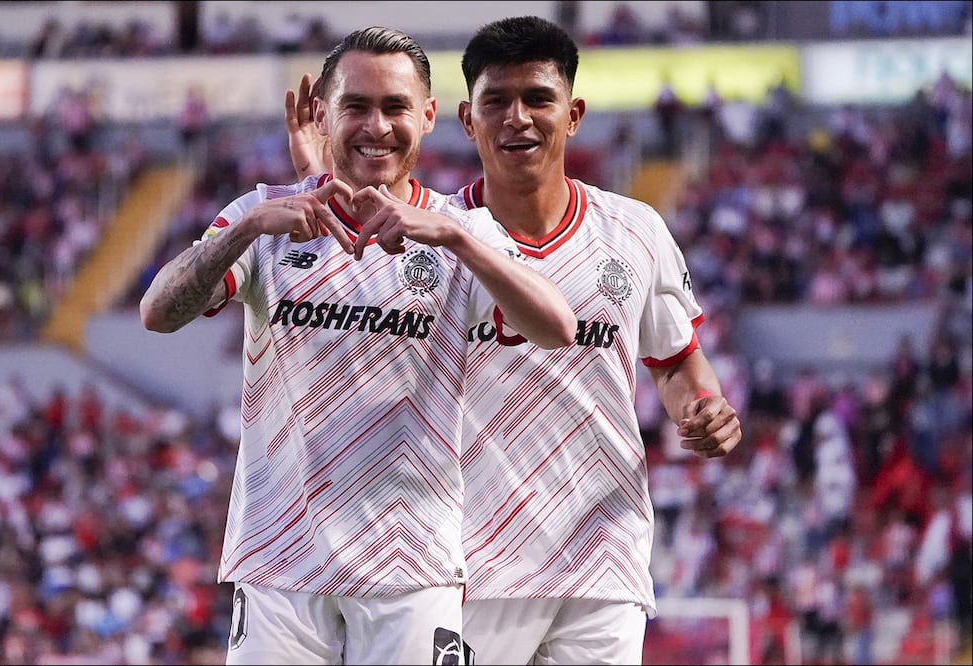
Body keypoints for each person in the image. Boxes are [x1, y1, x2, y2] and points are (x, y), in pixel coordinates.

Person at [285, 15, 742, 665]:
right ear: (467, 119)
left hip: (602, 559)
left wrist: (703, 409)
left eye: (537, 98)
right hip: (468, 563)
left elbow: (675, 362)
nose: (516, 118)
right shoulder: (418, 234)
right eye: (496, 101)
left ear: (573, 113)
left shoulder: (635, 233)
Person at [140, 26, 577, 666]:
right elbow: (158, 312)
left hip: (413, 565)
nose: (377, 126)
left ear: (428, 116)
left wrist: (456, 241)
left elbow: (557, 328)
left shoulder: (461, 232)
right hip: (279, 560)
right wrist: (248, 229)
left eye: (396, 107)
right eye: (357, 106)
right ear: (322, 114)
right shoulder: (264, 217)